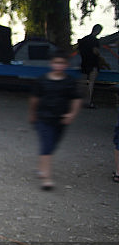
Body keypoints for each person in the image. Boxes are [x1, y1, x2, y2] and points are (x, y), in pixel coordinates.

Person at [28, 50, 82, 190]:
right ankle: (46, 177)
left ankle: (41, 166)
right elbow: (34, 99)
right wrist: (33, 113)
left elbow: (76, 99)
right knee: (46, 144)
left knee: (52, 145)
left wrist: (72, 114)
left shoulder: (70, 82)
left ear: (66, 64)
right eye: (56, 62)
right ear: (51, 63)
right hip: (44, 117)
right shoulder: (42, 80)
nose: (59, 65)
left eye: (62, 63)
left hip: (60, 119)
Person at [78, 24, 102, 108]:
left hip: (84, 63)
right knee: (91, 83)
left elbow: (79, 50)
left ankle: (81, 101)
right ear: (98, 31)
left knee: (83, 83)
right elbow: (95, 51)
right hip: (93, 63)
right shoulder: (95, 40)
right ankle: (88, 102)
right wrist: (99, 55)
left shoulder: (84, 39)